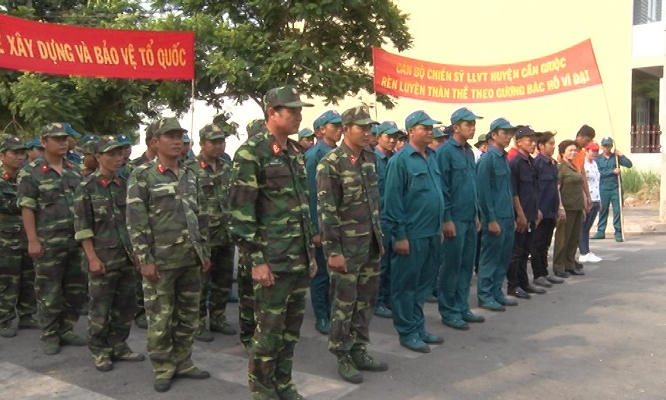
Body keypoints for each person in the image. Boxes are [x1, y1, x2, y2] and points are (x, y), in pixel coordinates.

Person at [227, 86, 315, 400]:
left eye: (299, 111)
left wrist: (310, 254)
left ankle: (283, 383)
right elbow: (241, 213)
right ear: (272, 113)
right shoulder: (251, 153)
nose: (298, 116)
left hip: (298, 260)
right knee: (267, 333)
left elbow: (303, 207)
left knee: (290, 332)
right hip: (272, 262)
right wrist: (257, 260)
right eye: (291, 111)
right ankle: (262, 390)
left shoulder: (295, 152)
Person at [127, 117, 212, 392]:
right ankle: (163, 367)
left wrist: (205, 251)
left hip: (190, 258)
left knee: (188, 316)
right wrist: (145, 259)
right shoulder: (142, 175)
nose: (177, 141)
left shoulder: (190, 174)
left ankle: (183, 361)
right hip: (161, 262)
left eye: (180, 136)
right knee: (161, 318)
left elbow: (200, 216)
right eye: (170, 136)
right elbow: (136, 222)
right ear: (155, 142)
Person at [317, 105, 388, 384]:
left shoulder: (370, 158)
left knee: (365, 301)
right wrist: (333, 251)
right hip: (345, 248)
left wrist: (378, 239)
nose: (368, 132)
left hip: (369, 244)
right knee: (343, 304)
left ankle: (359, 349)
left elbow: (374, 203)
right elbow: (327, 211)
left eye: (370, 127)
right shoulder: (331, 163)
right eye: (362, 127)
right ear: (345, 129)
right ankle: (342, 355)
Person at [74, 135, 145, 372]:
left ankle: (119, 345)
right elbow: (83, 228)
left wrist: (138, 251)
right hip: (102, 258)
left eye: (119, 153)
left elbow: (134, 222)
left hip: (126, 256)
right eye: (111, 154)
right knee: (100, 308)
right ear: (98, 157)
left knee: (126, 305)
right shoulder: (86, 188)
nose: (118, 158)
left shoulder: (126, 184)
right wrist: (92, 258)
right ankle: (99, 350)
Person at [17, 123, 86, 355]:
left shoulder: (74, 170)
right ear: (44, 142)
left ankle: (66, 328)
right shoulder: (31, 172)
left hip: (75, 241)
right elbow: (27, 208)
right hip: (48, 242)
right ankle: (49, 334)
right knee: (49, 290)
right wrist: (32, 240)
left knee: (75, 289)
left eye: (65, 138)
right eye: (57, 139)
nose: (63, 142)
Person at [384, 110, 445, 353]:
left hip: (431, 232)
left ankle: (419, 327)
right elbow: (393, 202)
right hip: (411, 235)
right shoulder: (400, 161)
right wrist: (399, 236)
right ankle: (407, 331)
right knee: (405, 285)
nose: (430, 131)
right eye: (424, 128)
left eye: (431, 128)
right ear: (411, 131)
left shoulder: (431, 156)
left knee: (423, 284)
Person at [436, 107, 485, 331]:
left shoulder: (469, 152)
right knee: (451, 266)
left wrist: (476, 214)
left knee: (466, 265)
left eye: (473, 124)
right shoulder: (445, 152)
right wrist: (446, 219)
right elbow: (442, 188)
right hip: (454, 218)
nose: (472, 128)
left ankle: (462, 306)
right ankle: (449, 310)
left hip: (468, 217)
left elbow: (472, 185)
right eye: (468, 124)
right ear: (456, 127)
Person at [189, 123, 237, 343]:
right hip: (203, 237)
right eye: (214, 142)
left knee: (223, 279)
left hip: (225, 235)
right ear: (202, 144)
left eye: (221, 141)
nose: (219, 146)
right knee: (200, 282)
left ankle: (217, 317)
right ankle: (197, 322)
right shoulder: (190, 169)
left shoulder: (227, 168)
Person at [305, 110, 342, 335]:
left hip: (335, 222)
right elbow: (310, 193)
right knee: (321, 274)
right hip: (321, 223)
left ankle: (332, 311)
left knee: (334, 273)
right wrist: (314, 229)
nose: (339, 129)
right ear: (321, 130)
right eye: (334, 125)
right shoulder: (315, 154)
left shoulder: (337, 152)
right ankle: (321, 315)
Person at [476, 117, 518, 312]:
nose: (508, 136)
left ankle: (497, 292)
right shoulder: (487, 159)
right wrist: (490, 219)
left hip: (507, 216)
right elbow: (483, 193)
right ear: (493, 135)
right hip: (495, 217)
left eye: (510, 133)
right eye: (505, 133)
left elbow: (506, 190)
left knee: (503, 257)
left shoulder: (503, 158)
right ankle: (485, 295)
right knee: (490, 257)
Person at [0, 136, 38, 338]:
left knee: (28, 277)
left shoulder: (27, 178)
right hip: (5, 240)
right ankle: (3, 318)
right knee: (7, 279)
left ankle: (27, 315)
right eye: (14, 153)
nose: (19, 157)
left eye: (22, 153)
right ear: (2, 156)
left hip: (27, 237)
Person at [126, 121, 159, 330]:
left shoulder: (180, 167)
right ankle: (139, 310)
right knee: (141, 273)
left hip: (165, 236)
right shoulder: (135, 167)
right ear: (153, 142)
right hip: (140, 228)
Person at [507, 125, 546, 299]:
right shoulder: (515, 163)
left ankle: (524, 282)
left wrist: (536, 210)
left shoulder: (530, 161)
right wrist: (520, 215)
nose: (533, 143)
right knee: (516, 252)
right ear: (519, 141)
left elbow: (533, 189)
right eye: (529, 140)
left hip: (530, 213)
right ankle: (513, 285)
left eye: (535, 140)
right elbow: (514, 192)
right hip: (520, 215)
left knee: (525, 251)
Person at [531, 132, 566, 288]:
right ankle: (538, 274)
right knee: (537, 244)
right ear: (541, 146)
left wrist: (559, 207)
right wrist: (536, 209)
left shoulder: (552, 163)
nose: (553, 146)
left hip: (551, 209)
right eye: (550, 143)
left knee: (545, 244)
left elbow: (554, 188)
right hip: (541, 211)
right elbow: (533, 189)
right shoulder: (537, 164)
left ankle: (545, 272)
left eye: (553, 143)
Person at [373, 121, 400, 319]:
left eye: (395, 137)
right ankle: (378, 300)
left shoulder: (396, 159)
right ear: (378, 137)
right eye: (388, 136)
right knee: (380, 264)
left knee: (392, 262)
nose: (392, 140)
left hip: (393, 218)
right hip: (379, 219)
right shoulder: (372, 159)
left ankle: (389, 298)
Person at [553, 140, 586, 278]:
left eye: (575, 150)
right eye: (570, 150)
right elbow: (557, 188)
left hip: (577, 207)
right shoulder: (561, 168)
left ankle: (569, 264)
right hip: (567, 208)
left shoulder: (574, 167)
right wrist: (560, 207)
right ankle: (559, 266)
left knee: (574, 238)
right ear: (562, 152)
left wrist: (583, 207)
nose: (573, 152)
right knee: (563, 239)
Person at [593, 136, 633, 242]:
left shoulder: (616, 157)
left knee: (617, 210)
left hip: (616, 187)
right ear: (602, 147)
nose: (607, 147)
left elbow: (629, 165)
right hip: (603, 188)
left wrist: (621, 155)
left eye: (609, 145)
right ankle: (601, 231)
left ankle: (618, 232)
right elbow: (598, 174)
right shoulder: (597, 159)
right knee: (603, 210)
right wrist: (612, 171)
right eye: (605, 145)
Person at [579, 141, 603, 262]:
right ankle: (583, 252)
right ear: (586, 151)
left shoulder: (594, 164)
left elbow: (597, 182)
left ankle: (587, 250)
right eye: (592, 150)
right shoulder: (583, 164)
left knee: (587, 227)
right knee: (583, 226)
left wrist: (600, 200)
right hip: (587, 199)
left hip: (596, 198)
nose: (595, 153)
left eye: (596, 151)